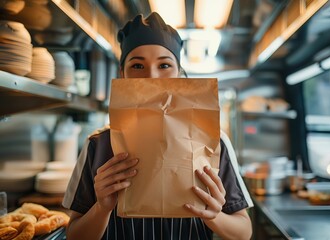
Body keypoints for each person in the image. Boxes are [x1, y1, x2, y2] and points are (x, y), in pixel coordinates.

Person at [63, 12, 253, 240]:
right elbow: (74, 234)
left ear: (180, 74)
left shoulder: (214, 140)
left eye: (164, 65)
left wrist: (213, 216)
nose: (151, 77)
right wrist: (102, 208)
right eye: (137, 66)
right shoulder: (99, 144)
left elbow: (244, 232)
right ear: (122, 74)